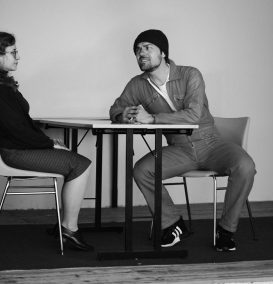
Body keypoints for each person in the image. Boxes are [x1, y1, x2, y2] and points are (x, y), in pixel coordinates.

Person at [109, 29, 256, 251]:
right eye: (138, 50)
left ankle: (226, 230)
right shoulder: (137, 84)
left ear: (163, 52)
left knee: (245, 166)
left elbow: (194, 115)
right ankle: (172, 225)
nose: (141, 53)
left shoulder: (190, 75)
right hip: (179, 149)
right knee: (142, 170)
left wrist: (152, 119)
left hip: (212, 144)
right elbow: (115, 108)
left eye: (147, 47)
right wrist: (124, 115)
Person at [0, 31, 93, 251]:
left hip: (18, 148)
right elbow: (16, 129)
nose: (18, 56)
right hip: (15, 153)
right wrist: (48, 144)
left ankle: (65, 225)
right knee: (80, 164)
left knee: (76, 161)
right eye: (13, 52)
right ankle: (69, 229)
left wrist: (47, 140)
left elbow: (19, 126)